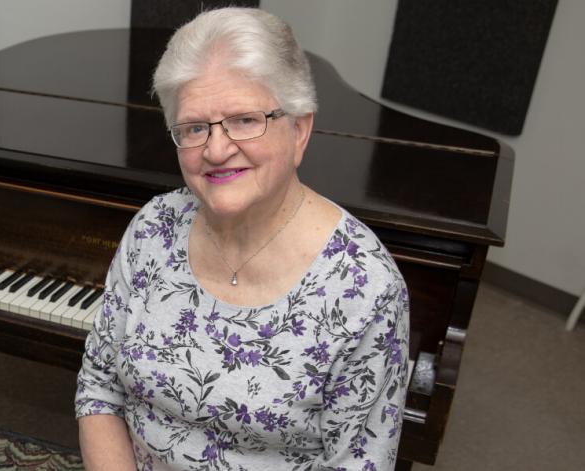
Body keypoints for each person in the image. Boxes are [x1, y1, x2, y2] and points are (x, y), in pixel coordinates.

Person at [75, 7, 410, 471]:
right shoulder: (153, 228)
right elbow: (99, 388)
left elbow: (356, 463)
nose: (216, 150)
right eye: (195, 127)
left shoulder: (365, 288)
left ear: (299, 130)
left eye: (245, 120)